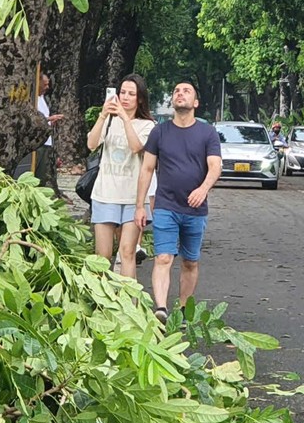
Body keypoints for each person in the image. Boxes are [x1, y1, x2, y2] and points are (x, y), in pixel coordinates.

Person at [136, 80, 222, 320]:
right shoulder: (160, 131)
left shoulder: (207, 133)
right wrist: (140, 206)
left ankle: (183, 309)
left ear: (195, 102)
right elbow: (147, 169)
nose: (179, 94)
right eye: (176, 91)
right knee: (163, 257)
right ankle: (161, 309)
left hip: (195, 210)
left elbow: (215, 166)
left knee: (190, 262)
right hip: (166, 206)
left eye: (186, 91)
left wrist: (203, 189)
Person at [88, 75, 153, 279]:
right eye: (122, 92)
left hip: (132, 198)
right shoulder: (108, 121)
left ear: (140, 99)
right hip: (105, 193)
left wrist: (125, 119)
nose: (125, 97)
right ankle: (103, 304)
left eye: (131, 94)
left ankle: (129, 304)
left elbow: (136, 147)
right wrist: (102, 116)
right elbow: (91, 144)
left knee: (127, 252)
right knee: (103, 255)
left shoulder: (147, 125)